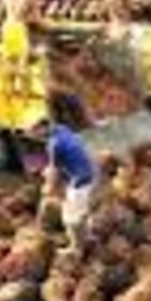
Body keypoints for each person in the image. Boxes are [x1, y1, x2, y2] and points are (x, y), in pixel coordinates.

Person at [35, 98, 98, 256]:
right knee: (84, 210)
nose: (34, 134)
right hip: (91, 173)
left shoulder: (54, 144)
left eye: (35, 131)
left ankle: (76, 249)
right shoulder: (62, 129)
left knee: (70, 217)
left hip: (80, 180)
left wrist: (48, 189)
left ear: (42, 127)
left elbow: (54, 172)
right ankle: (89, 236)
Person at [0, 0, 34, 93]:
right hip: (18, 27)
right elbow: (35, 17)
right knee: (23, 58)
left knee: (9, 58)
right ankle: (24, 91)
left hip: (6, 27)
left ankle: (10, 89)